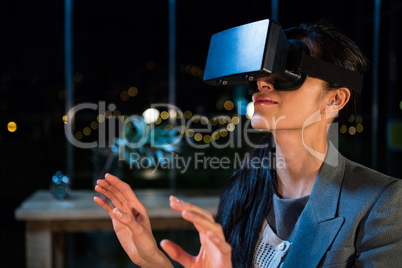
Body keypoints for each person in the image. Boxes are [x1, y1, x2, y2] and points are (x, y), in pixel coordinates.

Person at [94, 20, 402, 268]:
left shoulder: (380, 202)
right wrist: (152, 260)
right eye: (263, 72)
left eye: (288, 71)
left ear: (335, 98)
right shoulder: (243, 189)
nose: (263, 84)